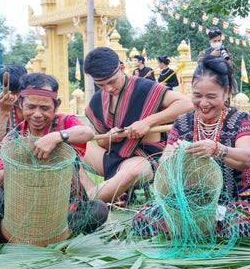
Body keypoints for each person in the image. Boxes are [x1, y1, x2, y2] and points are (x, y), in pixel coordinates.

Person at [133, 55, 250, 238]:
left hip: (237, 199)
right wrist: (174, 156)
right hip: (192, 202)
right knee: (142, 221)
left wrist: (216, 149)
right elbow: (164, 161)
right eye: (197, 95)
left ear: (225, 93)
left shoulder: (241, 119)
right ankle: (202, 226)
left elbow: (246, 158)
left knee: (236, 228)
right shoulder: (182, 122)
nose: (203, 103)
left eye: (211, 96)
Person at [0, 73, 108, 255]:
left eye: (45, 108)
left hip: (61, 211)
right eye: (31, 107)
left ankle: (58, 236)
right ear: (21, 104)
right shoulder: (13, 137)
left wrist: (56, 137)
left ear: (56, 106)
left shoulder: (65, 124)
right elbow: (0, 180)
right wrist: (17, 170)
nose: (37, 114)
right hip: (21, 211)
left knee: (98, 209)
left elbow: (86, 133)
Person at [83, 47, 193, 204]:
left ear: (121, 68)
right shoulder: (97, 100)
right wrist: (111, 137)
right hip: (111, 157)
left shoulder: (144, 87)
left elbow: (187, 104)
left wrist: (147, 122)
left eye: (111, 81)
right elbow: (101, 142)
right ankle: (97, 197)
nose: (108, 88)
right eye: (101, 85)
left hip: (143, 160)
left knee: (132, 172)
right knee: (68, 147)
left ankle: (83, 205)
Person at [0, 65, 27, 175]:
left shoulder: (33, 101)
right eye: (13, 92)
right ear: (3, 90)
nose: (17, 97)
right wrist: (4, 111)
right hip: (6, 154)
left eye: (20, 91)